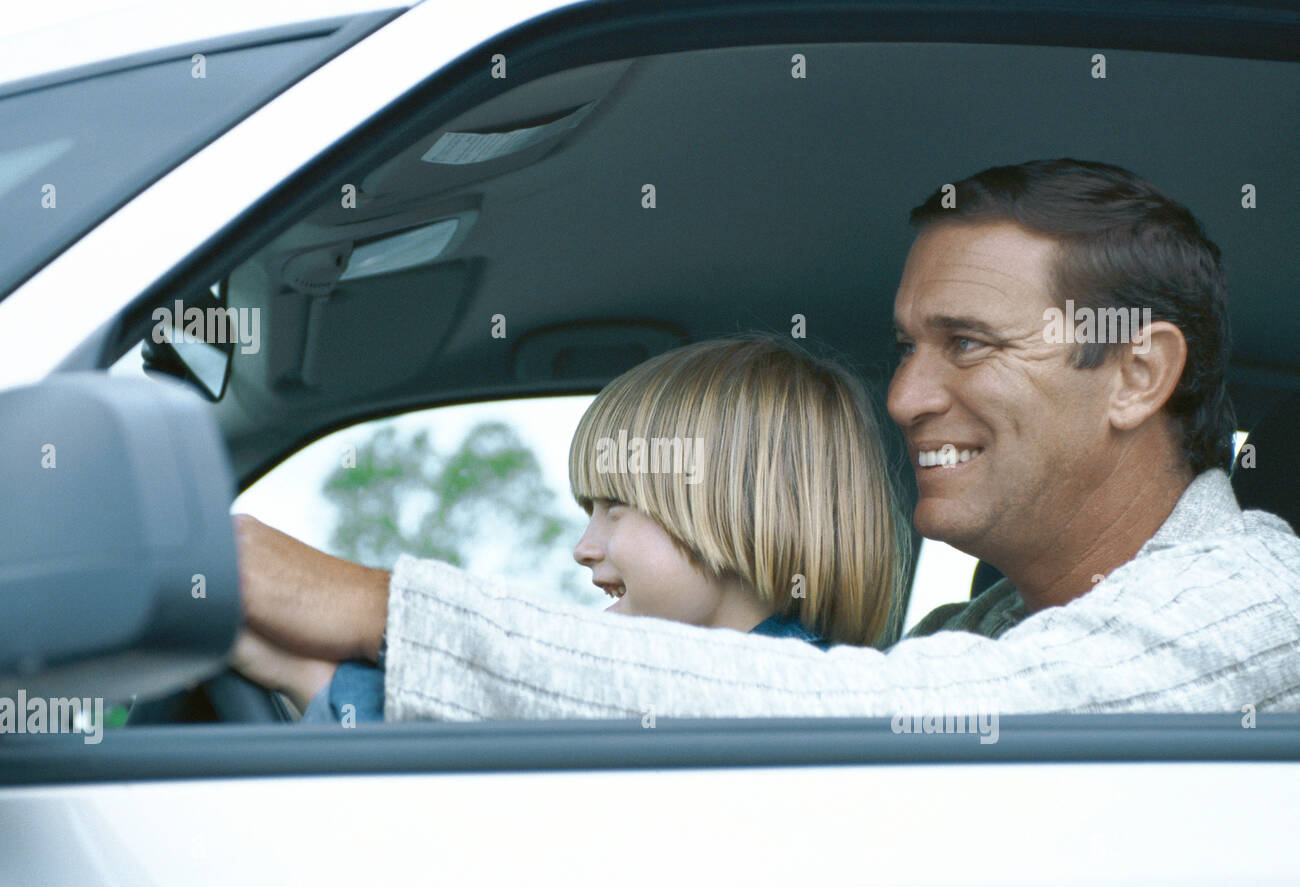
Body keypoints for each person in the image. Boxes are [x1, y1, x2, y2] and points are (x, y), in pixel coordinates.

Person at [234, 158, 1300, 720]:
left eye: (965, 344)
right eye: (904, 348)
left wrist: (377, 607)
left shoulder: (1260, 596)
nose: (905, 396)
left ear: (1134, 373)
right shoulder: (970, 631)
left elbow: (946, 725)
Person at [233, 336, 908, 721]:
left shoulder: (785, 708)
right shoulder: (669, 711)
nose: (585, 548)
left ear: (744, 511)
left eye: (616, 506)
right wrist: (307, 675)